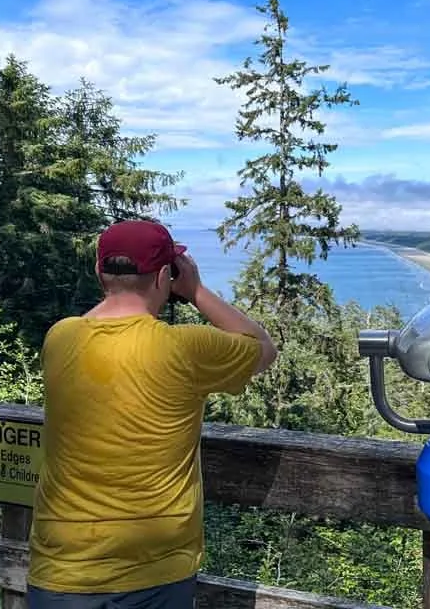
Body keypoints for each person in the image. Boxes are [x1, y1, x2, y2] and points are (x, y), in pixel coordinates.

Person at [26, 219, 279, 609]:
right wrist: (194, 291)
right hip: (156, 566)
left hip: (62, 565)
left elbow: (99, 322)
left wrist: (115, 292)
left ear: (98, 271)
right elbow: (262, 347)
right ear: (165, 274)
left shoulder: (60, 338)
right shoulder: (186, 347)